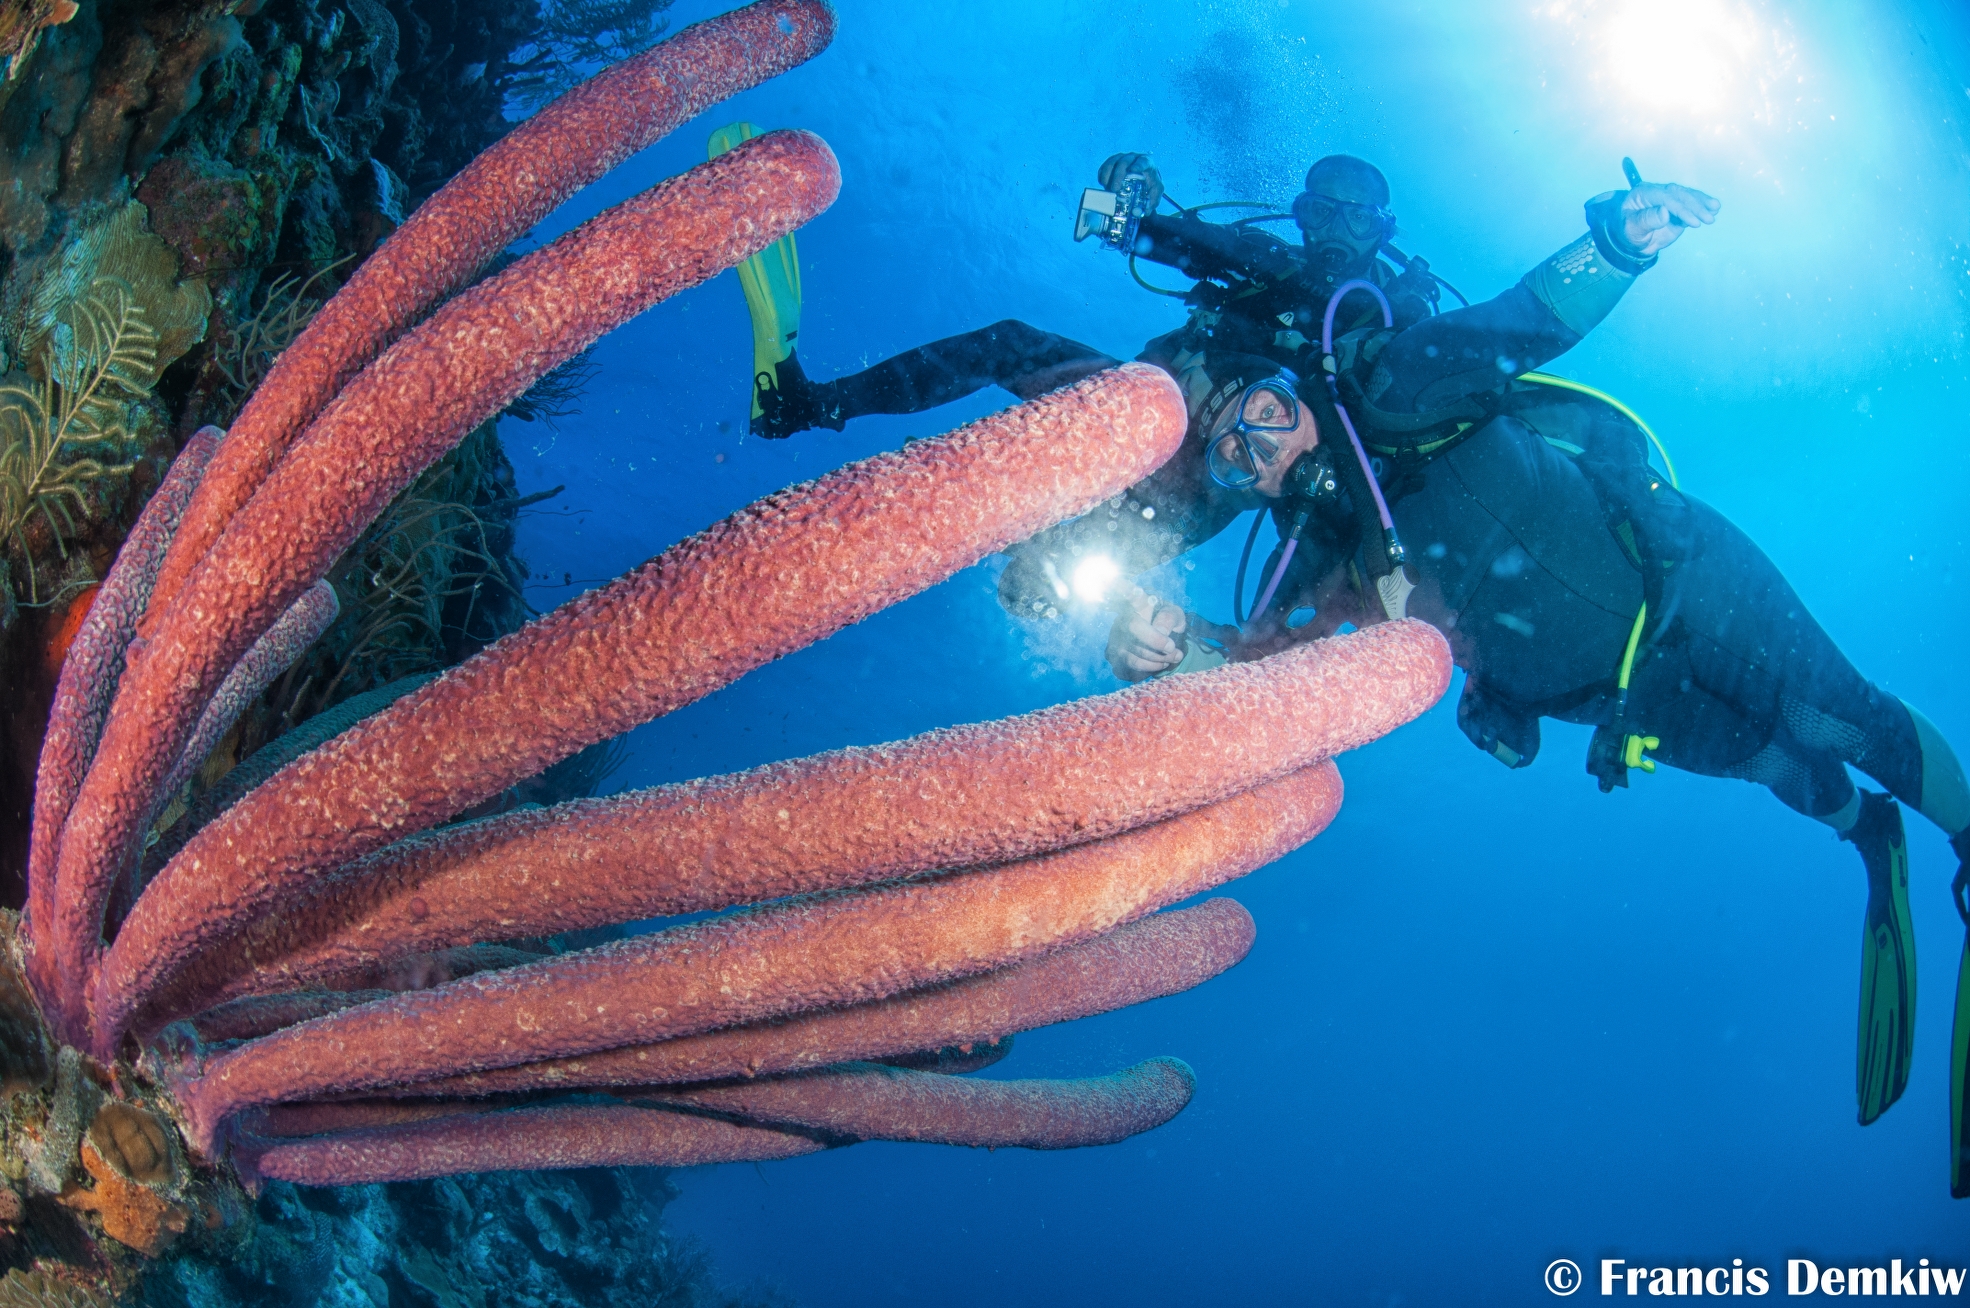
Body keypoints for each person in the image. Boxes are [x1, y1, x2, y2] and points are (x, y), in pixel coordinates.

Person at [735, 149, 1970, 1187]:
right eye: (1234, 461)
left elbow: (1521, 322)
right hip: (1608, 698)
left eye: (1263, 417)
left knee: (1841, 711)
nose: (1256, 452)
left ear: (1292, 385)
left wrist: (1615, 241)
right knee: (1776, 762)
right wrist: (1163, 652)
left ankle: (1959, 832)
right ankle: (1862, 834)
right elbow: (1256, 674)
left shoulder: (1392, 386)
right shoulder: (1317, 554)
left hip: (1688, 580)